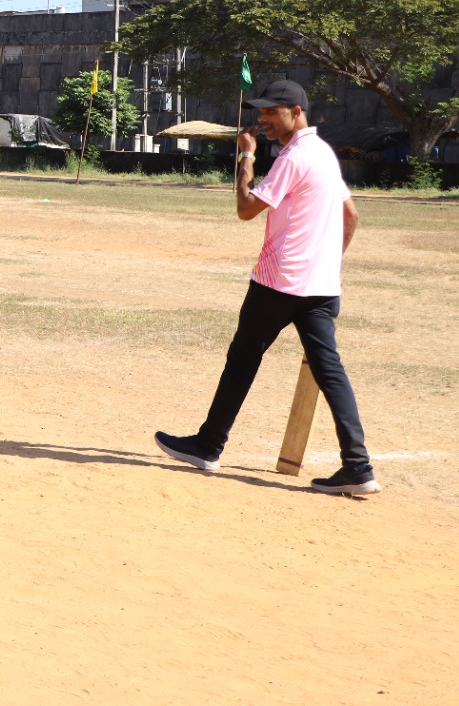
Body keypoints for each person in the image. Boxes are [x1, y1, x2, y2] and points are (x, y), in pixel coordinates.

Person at [155, 79, 378, 496]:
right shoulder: (323, 153)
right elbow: (351, 215)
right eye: (261, 112)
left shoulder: (293, 157)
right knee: (330, 372)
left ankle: (208, 445)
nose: (263, 120)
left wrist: (246, 156)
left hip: (278, 282)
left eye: (271, 112)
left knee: (242, 361)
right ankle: (358, 467)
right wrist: (329, 266)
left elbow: (245, 209)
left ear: (296, 112)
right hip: (320, 286)